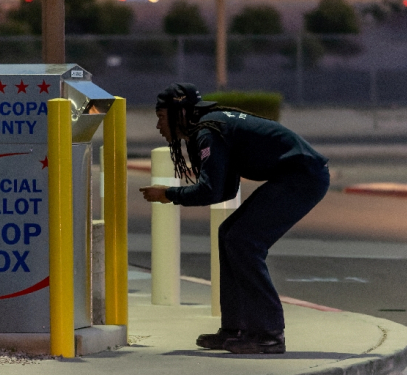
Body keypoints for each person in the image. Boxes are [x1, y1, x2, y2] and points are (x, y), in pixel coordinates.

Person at [139, 83, 330, 354]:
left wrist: (168, 194)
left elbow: (210, 190)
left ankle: (268, 334)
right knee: (230, 233)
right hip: (294, 176)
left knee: (244, 241)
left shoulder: (207, 132)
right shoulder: (208, 127)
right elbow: (224, 190)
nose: (158, 126)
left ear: (178, 113)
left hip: (303, 178)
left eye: (160, 117)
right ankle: (236, 328)